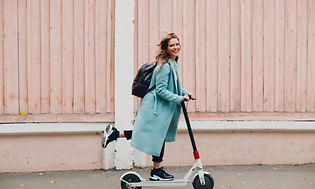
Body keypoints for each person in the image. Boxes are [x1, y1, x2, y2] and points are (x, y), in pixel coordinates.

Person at [102, 32, 192, 181]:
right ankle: (157, 171)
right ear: (166, 48)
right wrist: (179, 98)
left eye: (177, 44)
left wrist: (185, 93)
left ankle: (115, 134)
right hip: (155, 108)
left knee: (156, 136)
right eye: (172, 45)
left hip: (162, 108)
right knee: (155, 137)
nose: (176, 47)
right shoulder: (164, 66)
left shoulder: (173, 63)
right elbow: (161, 90)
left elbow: (174, 86)